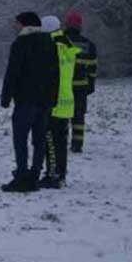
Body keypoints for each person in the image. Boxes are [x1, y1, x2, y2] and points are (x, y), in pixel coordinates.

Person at [0, 12, 59, 193]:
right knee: (39, 140)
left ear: (25, 25)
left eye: (16, 23)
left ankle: (21, 175)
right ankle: (34, 176)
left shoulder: (20, 43)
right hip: (45, 100)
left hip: (25, 99)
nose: (14, 26)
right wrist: (53, 97)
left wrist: (6, 97)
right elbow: (56, 73)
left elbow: (13, 72)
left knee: (21, 139)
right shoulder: (49, 42)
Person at [43, 16, 80, 188]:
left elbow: (50, 75)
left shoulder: (53, 46)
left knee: (50, 141)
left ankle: (52, 175)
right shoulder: (67, 44)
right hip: (66, 102)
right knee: (61, 143)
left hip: (53, 102)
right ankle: (60, 175)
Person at [62, 10, 98, 153]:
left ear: (66, 24)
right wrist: (91, 84)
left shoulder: (59, 41)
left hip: (63, 86)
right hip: (81, 86)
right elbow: (93, 68)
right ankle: (77, 144)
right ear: (80, 26)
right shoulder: (88, 44)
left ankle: (61, 141)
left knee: (62, 115)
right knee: (78, 116)